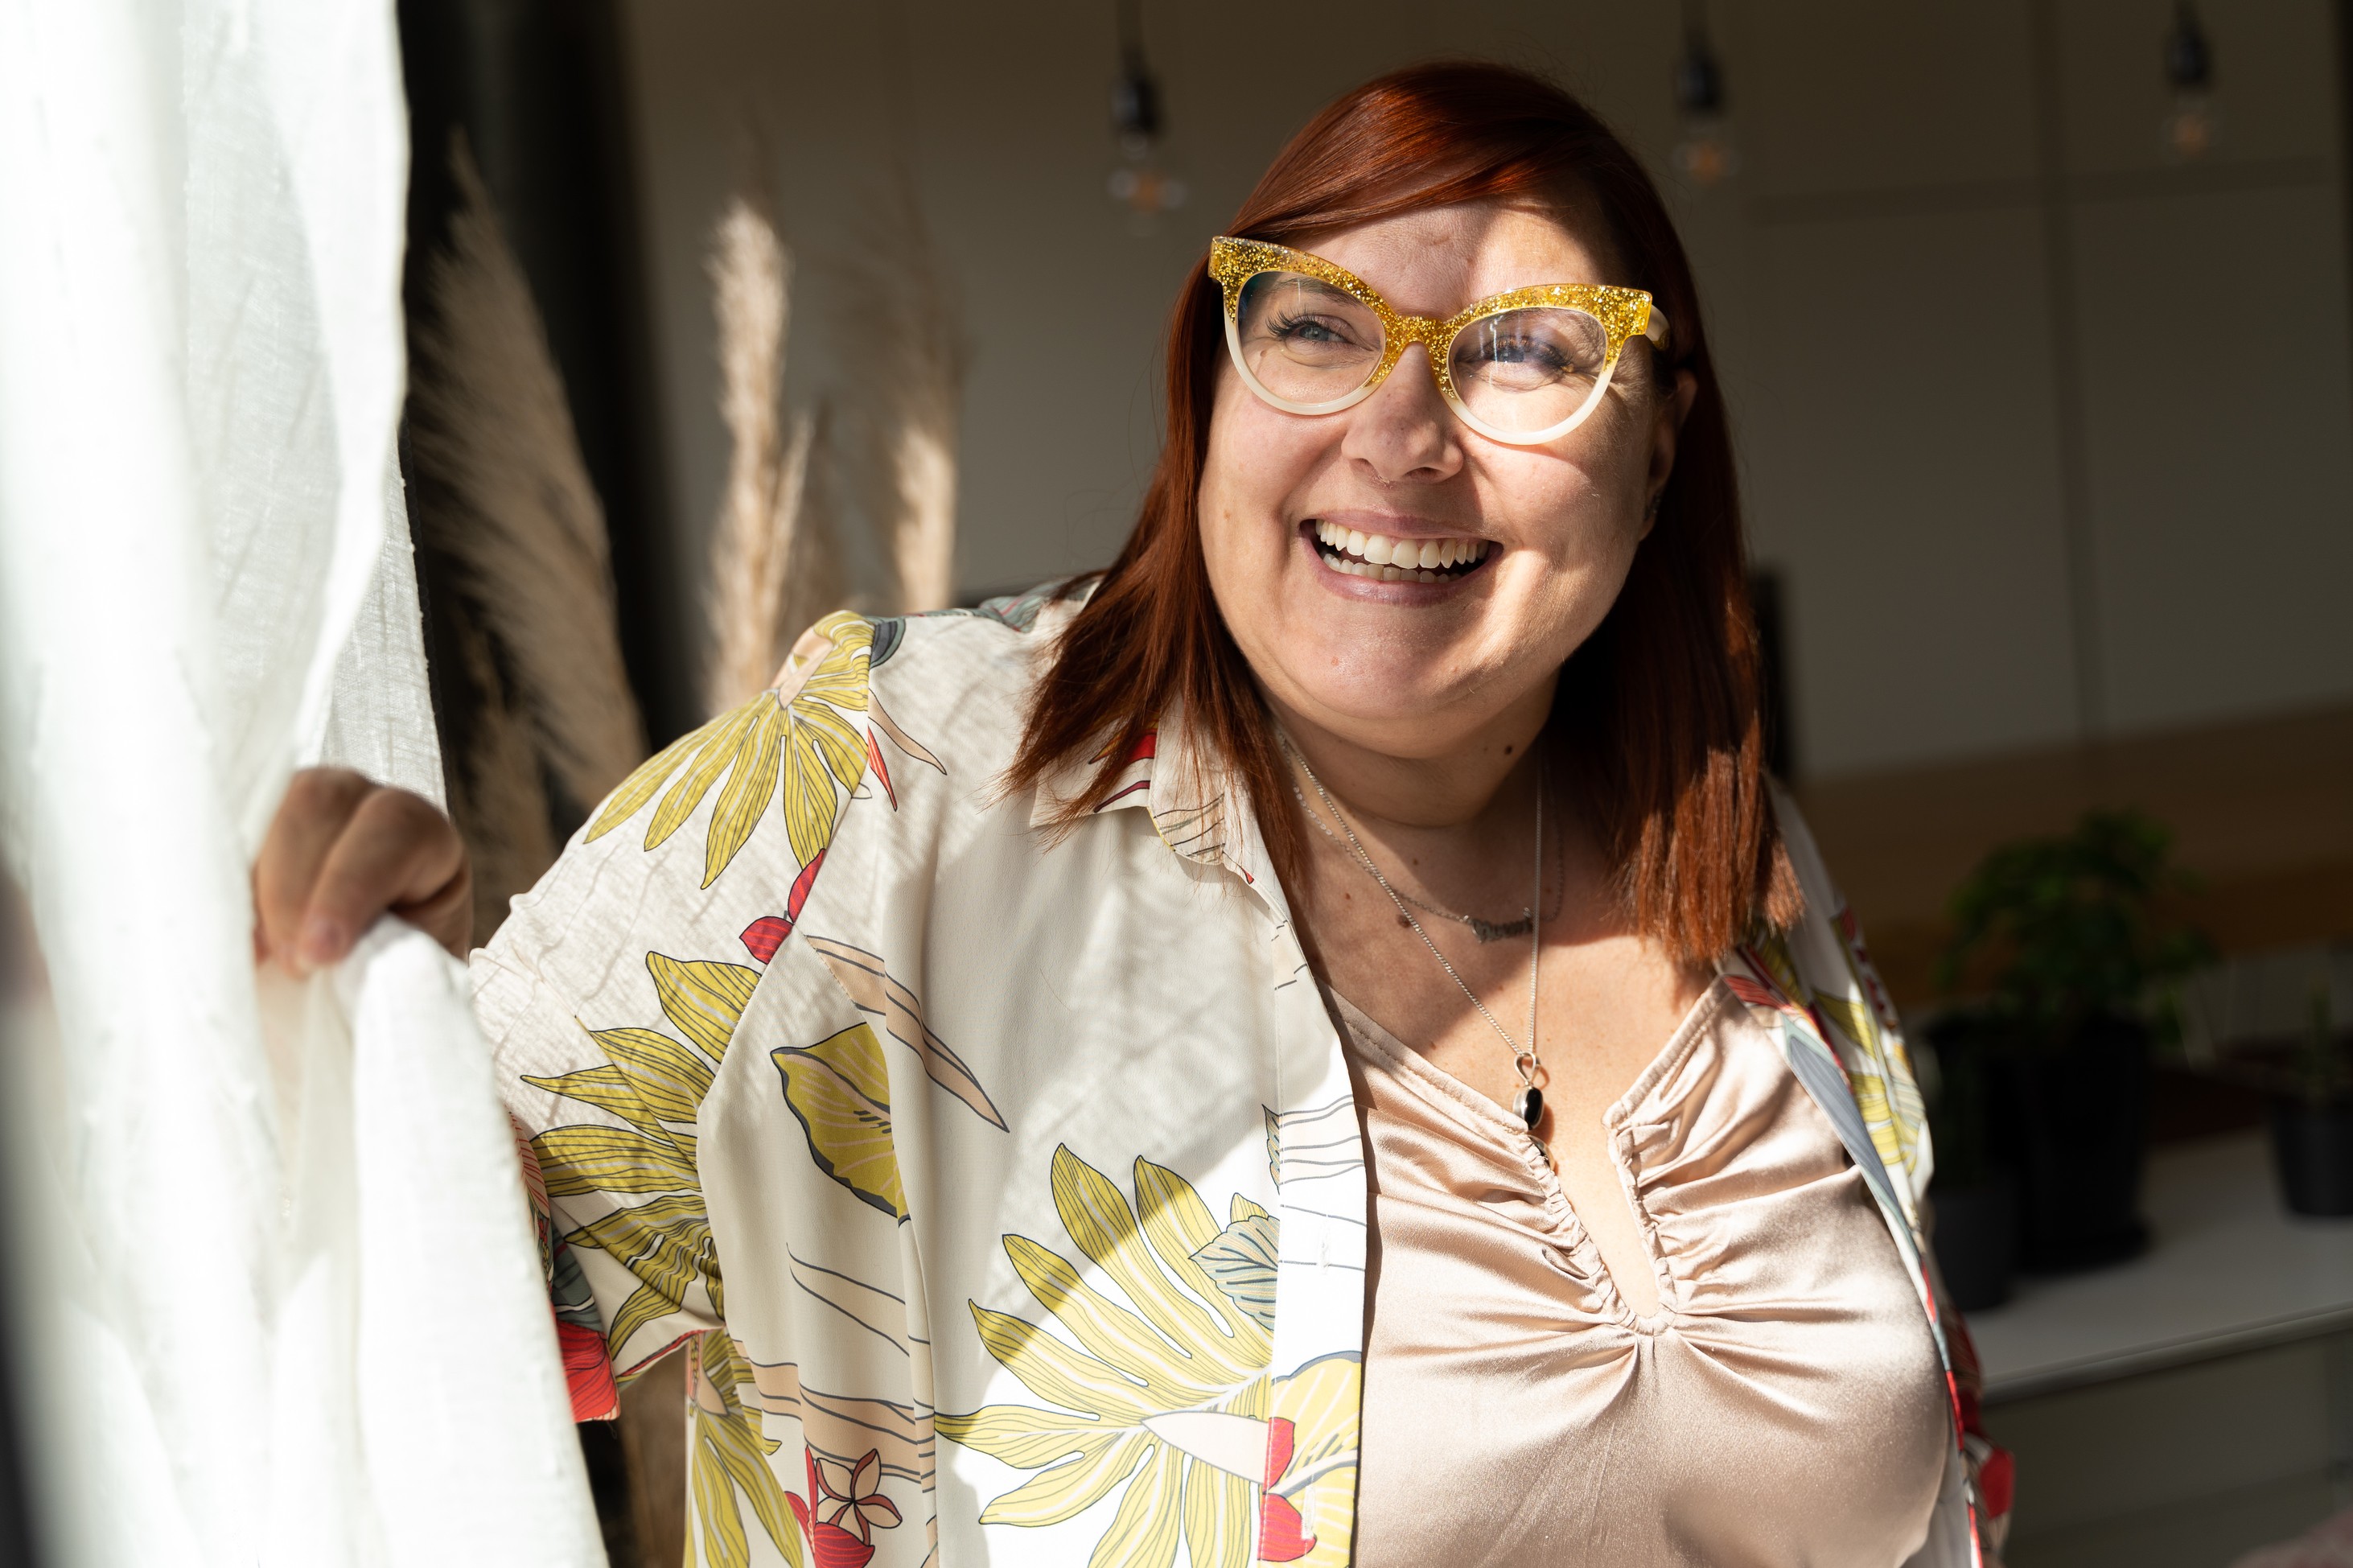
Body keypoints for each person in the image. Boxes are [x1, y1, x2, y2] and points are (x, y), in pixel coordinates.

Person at [256, 62, 2010, 1568]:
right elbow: (393, 1283)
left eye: (1524, 354)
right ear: (1211, 381)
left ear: (1659, 442)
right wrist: (354, 1002)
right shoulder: (892, 787)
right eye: (1315, 328)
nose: (1401, 435)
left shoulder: (1730, 854)